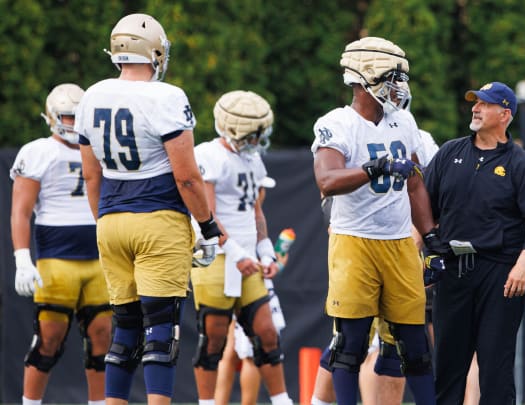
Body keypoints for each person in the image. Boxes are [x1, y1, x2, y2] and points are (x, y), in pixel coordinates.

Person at [75, 13, 222, 405]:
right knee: (161, 331)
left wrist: (104, 219)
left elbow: (91, 177)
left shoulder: (91, 95)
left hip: (110, 219)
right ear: (154, 50)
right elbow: (187, 177)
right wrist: (207, 225)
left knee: (124, 331)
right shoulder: (166, 96)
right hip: (158, 219)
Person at [311, 36, 442, 405]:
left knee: (415, 346)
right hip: (355, 241)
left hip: (399, 242)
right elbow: (327, 180)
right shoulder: (337, 122)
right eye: (393, 77)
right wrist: (375, 167)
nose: (400, 86)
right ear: (367, 76)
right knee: (350, 345)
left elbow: (415, 184)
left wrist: (431, 238)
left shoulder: (404, 121)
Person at [424, 81, 525, 405]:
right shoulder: (449, 152)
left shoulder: (521, 163)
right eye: (475, 103)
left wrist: (523, 264)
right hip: (452, 270)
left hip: (500, 275)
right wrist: (417, 255)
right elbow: (424, 209)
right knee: (447, 368)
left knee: (495, 370)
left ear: (505, 114)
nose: (475, 108)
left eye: (485, 104)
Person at [10, 83, 112, 405]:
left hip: (98, 258)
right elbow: (21, 211)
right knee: (49, 340)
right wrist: (22, 259)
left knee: (103, 340)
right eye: (67, 117)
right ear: (52, 117)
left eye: (78, 117)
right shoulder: (39, 151)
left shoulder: (100, 148)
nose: (73, 123)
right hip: (57, 258)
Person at [190, 90, 292, 405]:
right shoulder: (208, 154)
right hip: (216, 258)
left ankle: (282, 400)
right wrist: (235, 254)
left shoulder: (253, 159)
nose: (257, 139)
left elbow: (255, 213)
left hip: (247, 259)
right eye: (252, 133)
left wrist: (264, 252)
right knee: (214, 340)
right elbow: (206, 213)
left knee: (266, 333)